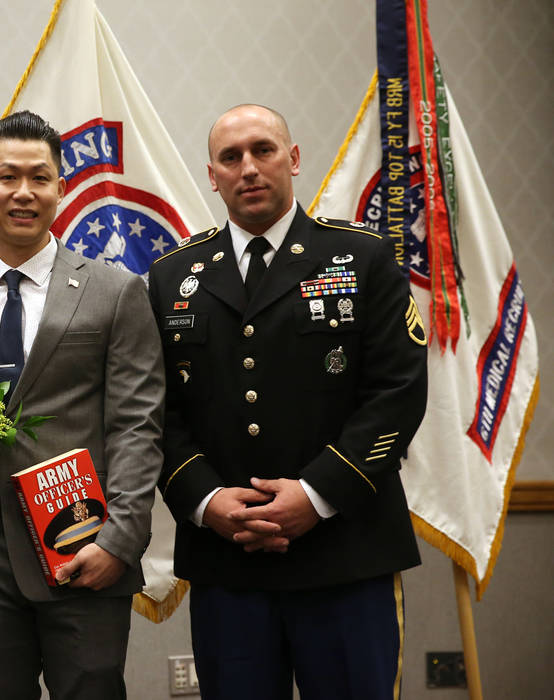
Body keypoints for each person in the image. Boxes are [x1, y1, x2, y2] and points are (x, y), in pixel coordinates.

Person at [147, 104, 428, 699]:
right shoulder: (174, 275)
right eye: (231, 157)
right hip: (229, 562)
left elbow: (397, 394)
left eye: (263, 150)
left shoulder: (362, 257)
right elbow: (155, 411)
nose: (248, 168)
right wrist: (206, 502)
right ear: (212, 174)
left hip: (346, 554)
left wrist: (317, 493)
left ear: (293, 159)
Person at [0, 110, 164, 700]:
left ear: (61, 187)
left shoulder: (116, 290)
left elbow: (136, 423)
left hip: (84, 542)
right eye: (7, 177)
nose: (23, 192)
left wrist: (119, 540)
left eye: (40, 177)